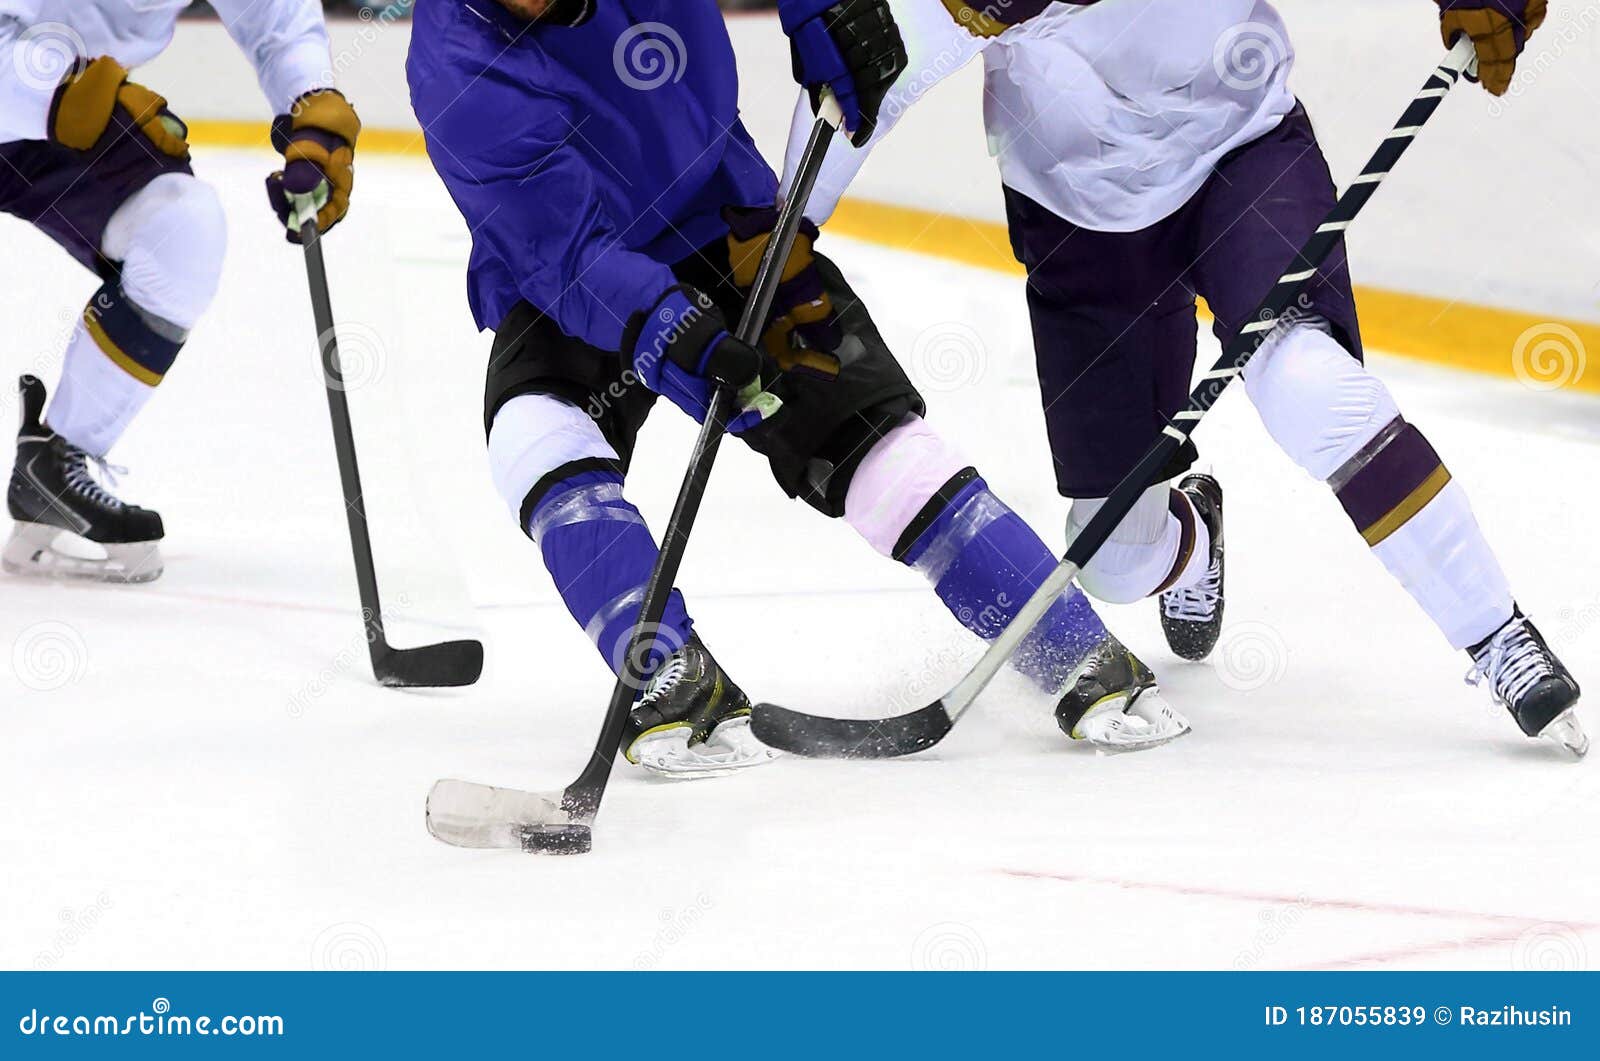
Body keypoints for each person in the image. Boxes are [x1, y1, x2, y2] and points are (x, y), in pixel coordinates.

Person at [406, 0, 1191, 776]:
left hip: (725, 213)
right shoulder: (455, 65)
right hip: (583, 265)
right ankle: (669, 672)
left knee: (870, 445)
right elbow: (566, 255)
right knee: (534, 434)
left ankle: (1069, 645)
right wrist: (670, 329)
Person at [780, 0, 1585, 755]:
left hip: (1242, 148)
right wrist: (781, 231)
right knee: (1115, 562)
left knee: (1307, 385)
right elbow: (865, 68)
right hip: (1076, 209)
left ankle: (1497, 632)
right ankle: (1193, 538)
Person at [0, 0, 360, 582]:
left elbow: (274, 17)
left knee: (183, 231)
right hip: (41, 85)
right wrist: (65, 94)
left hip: (67, 108)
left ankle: (54, 469)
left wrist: (312, 105)